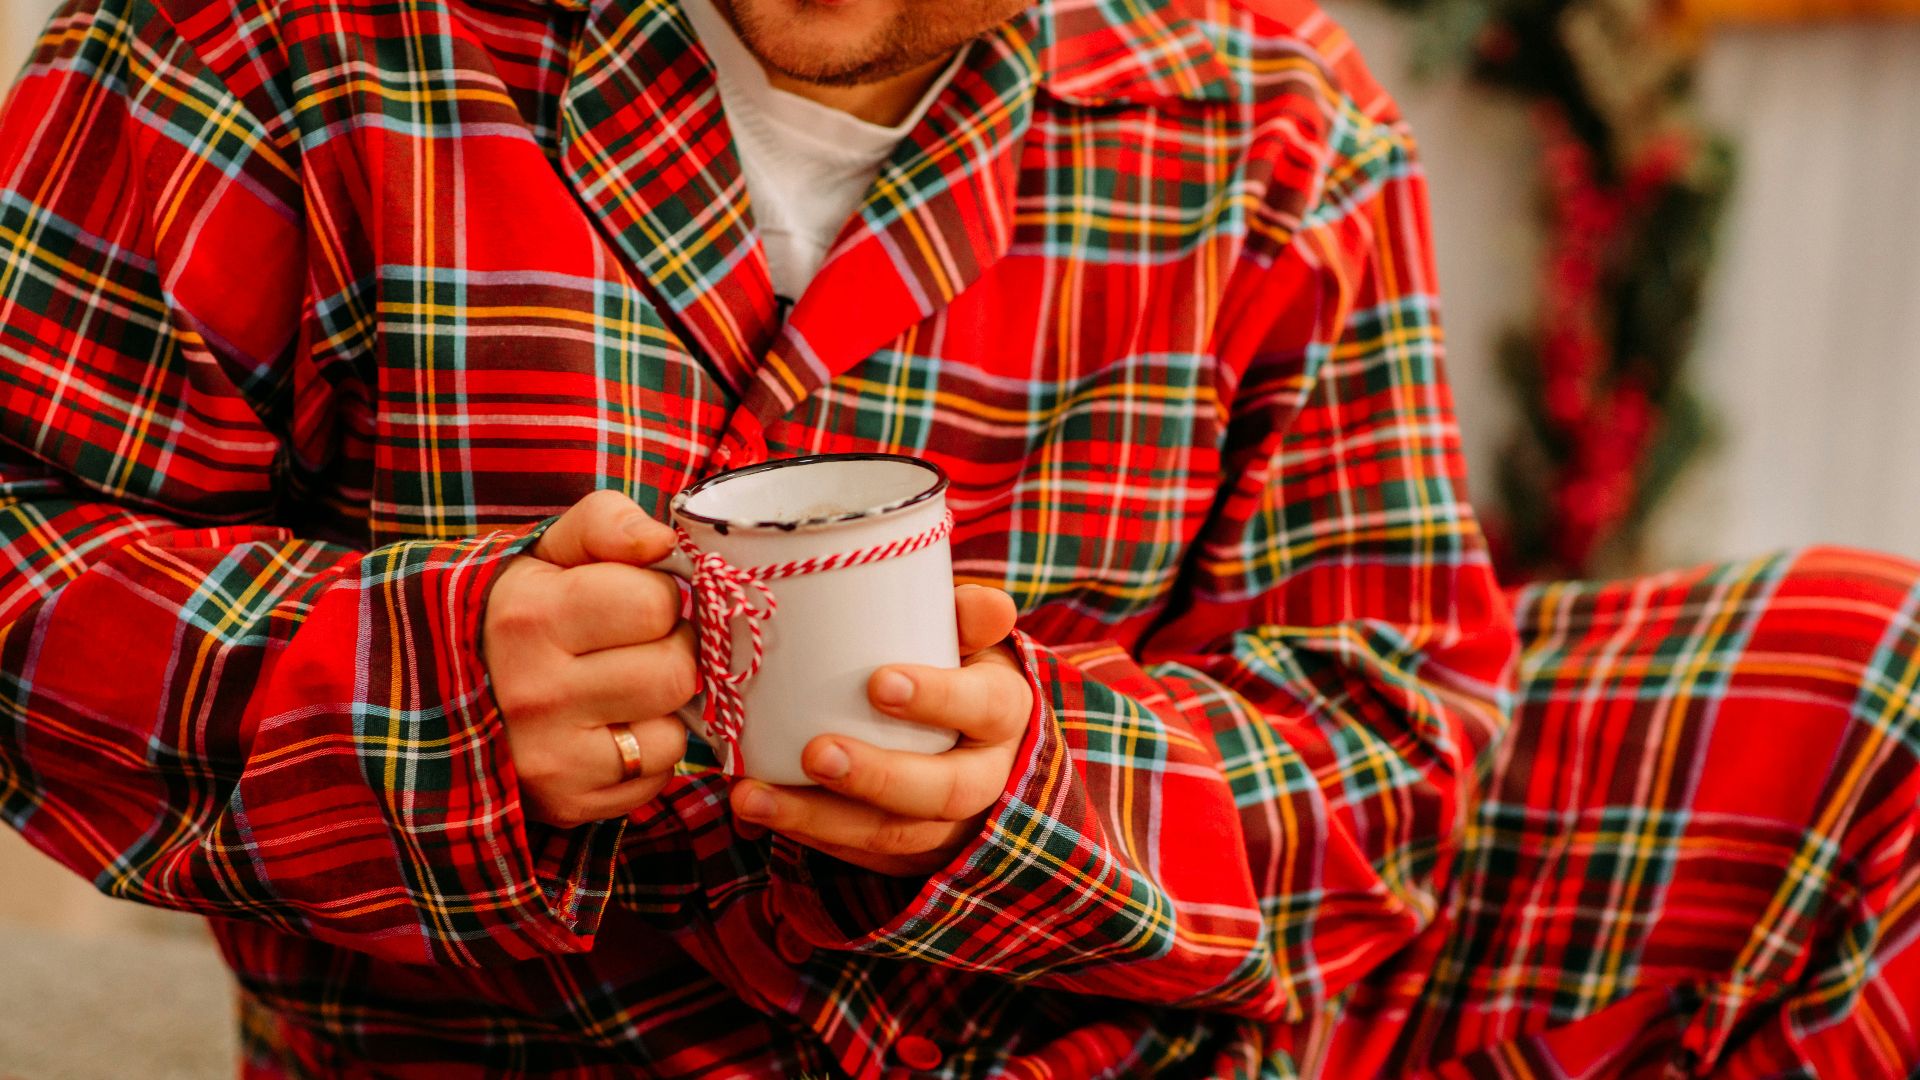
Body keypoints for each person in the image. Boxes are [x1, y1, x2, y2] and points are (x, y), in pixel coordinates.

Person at [0, 0, 1916, 1073]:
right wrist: (413, 688)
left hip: (1118, 1015)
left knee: (1876, 690)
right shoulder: (259, 42)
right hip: (537, 1047)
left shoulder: (1266, 114)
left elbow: (1395, 732)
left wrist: (1049, 788)